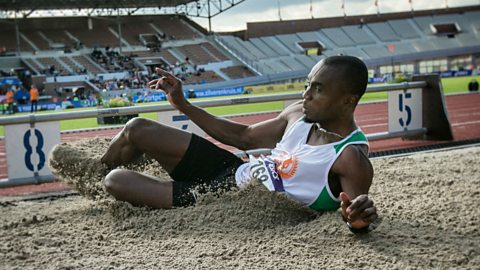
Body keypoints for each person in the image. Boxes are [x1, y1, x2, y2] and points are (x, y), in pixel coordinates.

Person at [100, 55, 378, 233]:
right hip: (233, 169)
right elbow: (243, 137)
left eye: (318, 89)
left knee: (116, 181)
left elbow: (356, 215)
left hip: (225, 198)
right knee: (137, 128)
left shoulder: (350, 157)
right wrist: (182, 104)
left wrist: (357, 220)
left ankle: (110, 181)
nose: (306, 94)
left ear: (347, 100)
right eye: (307, 84)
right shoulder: (298, 114)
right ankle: (93, 176)